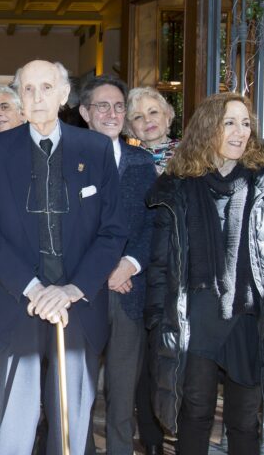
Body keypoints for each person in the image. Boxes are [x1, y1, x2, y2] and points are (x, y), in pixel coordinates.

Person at [0, 60, 128, 455]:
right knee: (12, 429)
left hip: (78, 305)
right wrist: (33, 287)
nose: (37, 97)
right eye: (28, 89)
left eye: (46, 87)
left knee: (70, 427)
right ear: (19, 98)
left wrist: (73, 288)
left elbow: (113, 230)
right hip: (15, 301)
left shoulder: (95, 149)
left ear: (64, 95)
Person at [145, 92, 264, 455]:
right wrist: (156, 318)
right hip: (196, 315)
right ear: (207, 128)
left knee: (245, 420)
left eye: (245, 123)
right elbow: (161, 260)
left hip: (249, 318)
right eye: (229, 122)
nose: (239, 131)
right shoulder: (179, 185)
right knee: (195, 412)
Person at [78, 75, 157, 455]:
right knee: (80, 390)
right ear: (84, 113)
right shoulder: (68, 160)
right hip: (84, 291)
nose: (111, 113)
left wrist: (129, 264)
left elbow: (151, 221)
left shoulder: (141, 160)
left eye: (118, 106)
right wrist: (103, 269)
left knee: (123, 394)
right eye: (102, 106)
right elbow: (69, 227)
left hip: (129, 290)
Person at [125, 87, 179, 175]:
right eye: (138, 117)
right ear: (130, 129)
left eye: (153, 112)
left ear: (167, 117)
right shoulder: (124, 161)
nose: (147, 120)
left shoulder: (189, 154)